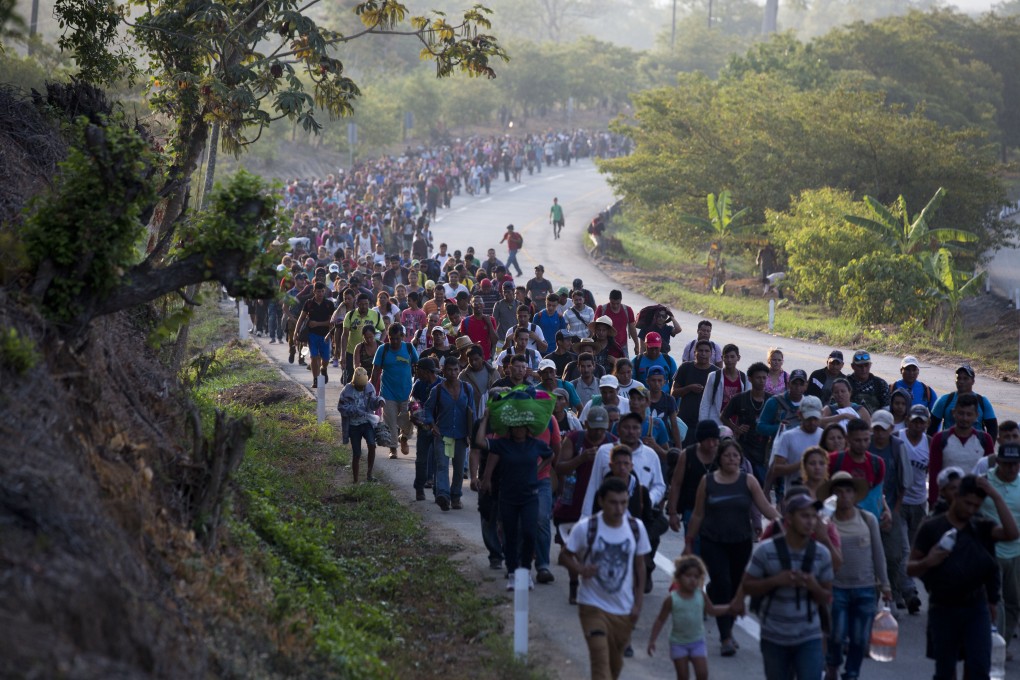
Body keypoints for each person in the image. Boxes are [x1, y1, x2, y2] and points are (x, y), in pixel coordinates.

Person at [909, 475, 1019, 680]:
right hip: (943, 607)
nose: (970, 510)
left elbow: (1012, 533)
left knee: (978, 668)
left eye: (976, 506)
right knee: (945, 671)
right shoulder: (932, 527)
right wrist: (928, 561)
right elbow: (910, 568)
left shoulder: (981, 527)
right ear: (956, 496)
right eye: (967, 503)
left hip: (976, 607)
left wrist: (995, 496)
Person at [684, 438, 780, 656]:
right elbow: (698, 514)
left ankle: (714, 593)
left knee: (736, 587)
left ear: (741, 459)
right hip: (712, 541)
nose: (731, 459)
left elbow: (765, 507)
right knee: (724, 584)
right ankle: (726, 636)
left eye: (735, 456)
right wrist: (689, 542)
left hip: (741, 542)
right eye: (727, 455)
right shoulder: (707, 481)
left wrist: (786, 523)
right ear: (720, 458)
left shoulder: (748, 481)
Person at [562, 477, 651, 680]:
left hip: (623, 610)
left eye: (623, 503)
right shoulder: (586, 527)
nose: (619, 508)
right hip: (592, 606)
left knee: (614, 666)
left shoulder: (636, 528)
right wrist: (580, 568)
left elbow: (640, 566)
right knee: (600, 665)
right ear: (601, 501)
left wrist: (638, 604)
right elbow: (565, 555)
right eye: (613, 502)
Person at [741, 490, 834, 680]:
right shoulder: (766, 551)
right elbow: (747, 586)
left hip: (809, 635)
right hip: (774, 635)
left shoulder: (822, 554)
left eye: (813, 517)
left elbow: (827, 596)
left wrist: (813, 585)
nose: (810, 521)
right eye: (804, 516)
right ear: (789, 519)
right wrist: (775, 581)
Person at [822, 471, 891, 680]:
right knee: (836, 634)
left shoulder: (867, 519)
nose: (844, 496)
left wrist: (885, 585)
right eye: (839, 492)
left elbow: (878, 553)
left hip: (865, 587)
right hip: (836, 587)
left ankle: (851, 674)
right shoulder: (825, 522)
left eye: (848, 491)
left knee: (860, 639)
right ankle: (832, 664)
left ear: (855, 495)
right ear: (832, 496)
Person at [478, 416, 554, 591]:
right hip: (508, 497)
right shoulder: (503, 444)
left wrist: (538, 470)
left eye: (521, 427)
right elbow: (480, 442)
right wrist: (485, 418)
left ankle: (526, 571)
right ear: (510, 429)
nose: (518, 430)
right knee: (510, 536)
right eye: (515, 427)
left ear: (528, 428)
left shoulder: (535, 444)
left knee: (529, 533)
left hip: (530, 497)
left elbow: (550, 455)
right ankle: (513, 573)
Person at [554, 406, 617, 604]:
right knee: (572, 548)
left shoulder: (612, 444)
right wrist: (581, 458)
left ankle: (596, 588)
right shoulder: (575, 439)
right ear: (586, 424)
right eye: (594, 428)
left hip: (599, 507)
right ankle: (574, 585)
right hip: (572, 504)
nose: (598, 433)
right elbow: (560, 467)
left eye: (602, 428)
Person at [646, 555, 733, 680]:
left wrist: (730, 608)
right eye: (688, 576)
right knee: (682, 676)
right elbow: (660, 619)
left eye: (696, 577)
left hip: (697, 642)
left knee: (702, 674)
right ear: (678, 577)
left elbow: (712, 610)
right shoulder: (672, 599)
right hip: (678, 643)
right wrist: (652, 640)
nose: (692, 580)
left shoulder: (700, 595)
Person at [868, 409, 915, 611]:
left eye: (883, 429)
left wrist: (894, 511)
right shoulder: (866, 445)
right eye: (875, 429)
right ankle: (873, 597)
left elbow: (904, 482)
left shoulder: (898, 447)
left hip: (891, 509)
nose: (879, 433)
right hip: (867, 510)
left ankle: (894, 593)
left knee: (894, 555)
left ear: (891, 429)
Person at [981, 442, 1020, 660]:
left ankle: (1002, 641)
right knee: (998, 602)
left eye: (1015, 464)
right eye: (1007, 464)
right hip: (991, 552)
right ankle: (995, 646)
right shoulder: (984, 481)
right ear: (999, 462)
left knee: (1014, 602)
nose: (1011, 469)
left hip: (1016, 554)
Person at [421, 356, 475, 511]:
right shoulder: (437, 390)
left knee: (459, 469)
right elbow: (428, 409)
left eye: (456, 370)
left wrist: (472, 433)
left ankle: (456, 496)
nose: (453, 373)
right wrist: (432, 425)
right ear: (443, 371)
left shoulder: (467, 388)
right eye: (449, 370)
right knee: (442, 466)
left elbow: (472, 411)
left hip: (461, 435)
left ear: (459, 370)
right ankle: (443, 496)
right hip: (442, 434)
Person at [927, 392, 996, 507]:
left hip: (976, 505)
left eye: (969, 414)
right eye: (961, 413)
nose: (965, 418)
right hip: (946, 504)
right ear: (954, 413)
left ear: (976, 416)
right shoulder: (940, 439)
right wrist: (933, 504)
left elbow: (990, 476)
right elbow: (934, 475)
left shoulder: (985, 440)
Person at [898, 404, 932, 614]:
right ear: (908, 421)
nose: (918, 425)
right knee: (902, 550)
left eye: (922, 421)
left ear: (927, 424)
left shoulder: (929, 443)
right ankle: (909, 592)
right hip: (899, 502)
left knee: (912, 551)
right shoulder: (898, 438)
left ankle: (901, 588)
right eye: (914, 420)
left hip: (919, 503)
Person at [371, 323, 419, 460]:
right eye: (392, 339)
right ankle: (393, 448)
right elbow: (375, 372)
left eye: (397, 338)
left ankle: (403, 438)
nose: (395, 342)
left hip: (407, 393)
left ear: (403, 337)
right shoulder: (383, 349)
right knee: (390, 421)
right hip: (388, 392)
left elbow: (418, 366)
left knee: (410, 418)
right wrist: (371, 391)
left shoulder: (409, 348)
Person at [764, 396, 824, 502]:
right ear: (799, 415)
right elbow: (776, 468)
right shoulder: (788, 437)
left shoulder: (825, 436)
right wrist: (803, 463)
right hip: (795, 497)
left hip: (821, 496)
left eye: (815, 418)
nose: (812, 422)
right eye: (809, 418)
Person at [721, 361, 771, 485]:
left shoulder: (772, 400)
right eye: (758, 377)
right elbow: (723, 416)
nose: (761, 381)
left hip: (764, 449)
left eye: (764, 378)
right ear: (750, 379)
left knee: (762, 484)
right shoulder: (739, 398)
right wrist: (735, 428)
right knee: (741, 483)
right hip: (743, 447)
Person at [337, 367, 383, 483]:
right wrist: (354, 410)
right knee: (356, 453)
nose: (361, 388)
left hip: (367, 422)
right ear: (354, 383)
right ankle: (355, 480)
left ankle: (369, 474)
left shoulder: (369, 387)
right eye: (359, 387)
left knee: (372, 445)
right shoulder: (347, 390)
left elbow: (373, 402)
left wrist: (379, 401)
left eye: (363, 387)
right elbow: (341, 407)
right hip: (353, 426)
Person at [929, 364, 998, 440]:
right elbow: (932, 427)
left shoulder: (983, 402)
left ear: (973, 381)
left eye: (965, 378)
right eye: (959, 378)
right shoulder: (944, 400)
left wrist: (988, 447)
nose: (961, 382)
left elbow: (992, 428)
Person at [671, 340, 719, 445]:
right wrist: (689, 388)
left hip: (706, 421)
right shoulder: (685, 367)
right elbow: (673, 393)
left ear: (711, 354)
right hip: (685, 420)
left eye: (707, 351)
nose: (703, 353)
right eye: (700, 350)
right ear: (694, 352)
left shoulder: (716, 372)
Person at [409, 358, 441, 500]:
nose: (417, 373)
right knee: (421, 460)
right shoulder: (418, 384)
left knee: (439, 461)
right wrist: (414, 415)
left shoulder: (442, 384)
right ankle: (419, 488)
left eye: (419, 370)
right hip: (423, 428)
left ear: (426, 371)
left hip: (439, 429)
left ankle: (438, 490)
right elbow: (413, 402)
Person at [295, 281, 335, 388]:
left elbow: (331, 322)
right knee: (313, 357)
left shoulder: (329, 304)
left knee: (325, 358)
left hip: (325, 335)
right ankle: (316, 379)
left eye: (322, 291)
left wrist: (317, 324)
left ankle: (324, 369)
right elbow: (301, 318)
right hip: (312, 335)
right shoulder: (309, 303)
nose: (320, 294)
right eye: (318, 291)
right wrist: (296, 332)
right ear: (314, 292)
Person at [698, 343, 748, 425]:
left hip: (736, 425)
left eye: (732, 357)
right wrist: (703, 425)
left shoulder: (745, 379)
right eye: (726, 357)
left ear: (738, 358)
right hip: (716, 423)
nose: (729, 360)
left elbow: (747, 404)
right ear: (722, 358)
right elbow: (706, 402)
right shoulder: (714, 376)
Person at [595, 290, 640, 357]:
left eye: (618, 303)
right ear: (609, 299)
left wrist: (636, 344)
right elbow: (595, 328)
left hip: (622, 346)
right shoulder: (601, 309)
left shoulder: (628, 310)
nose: (615, 306)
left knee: (625, 366)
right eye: (613, 303)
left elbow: (632, 328)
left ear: (621, 300)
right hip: (605, 346)